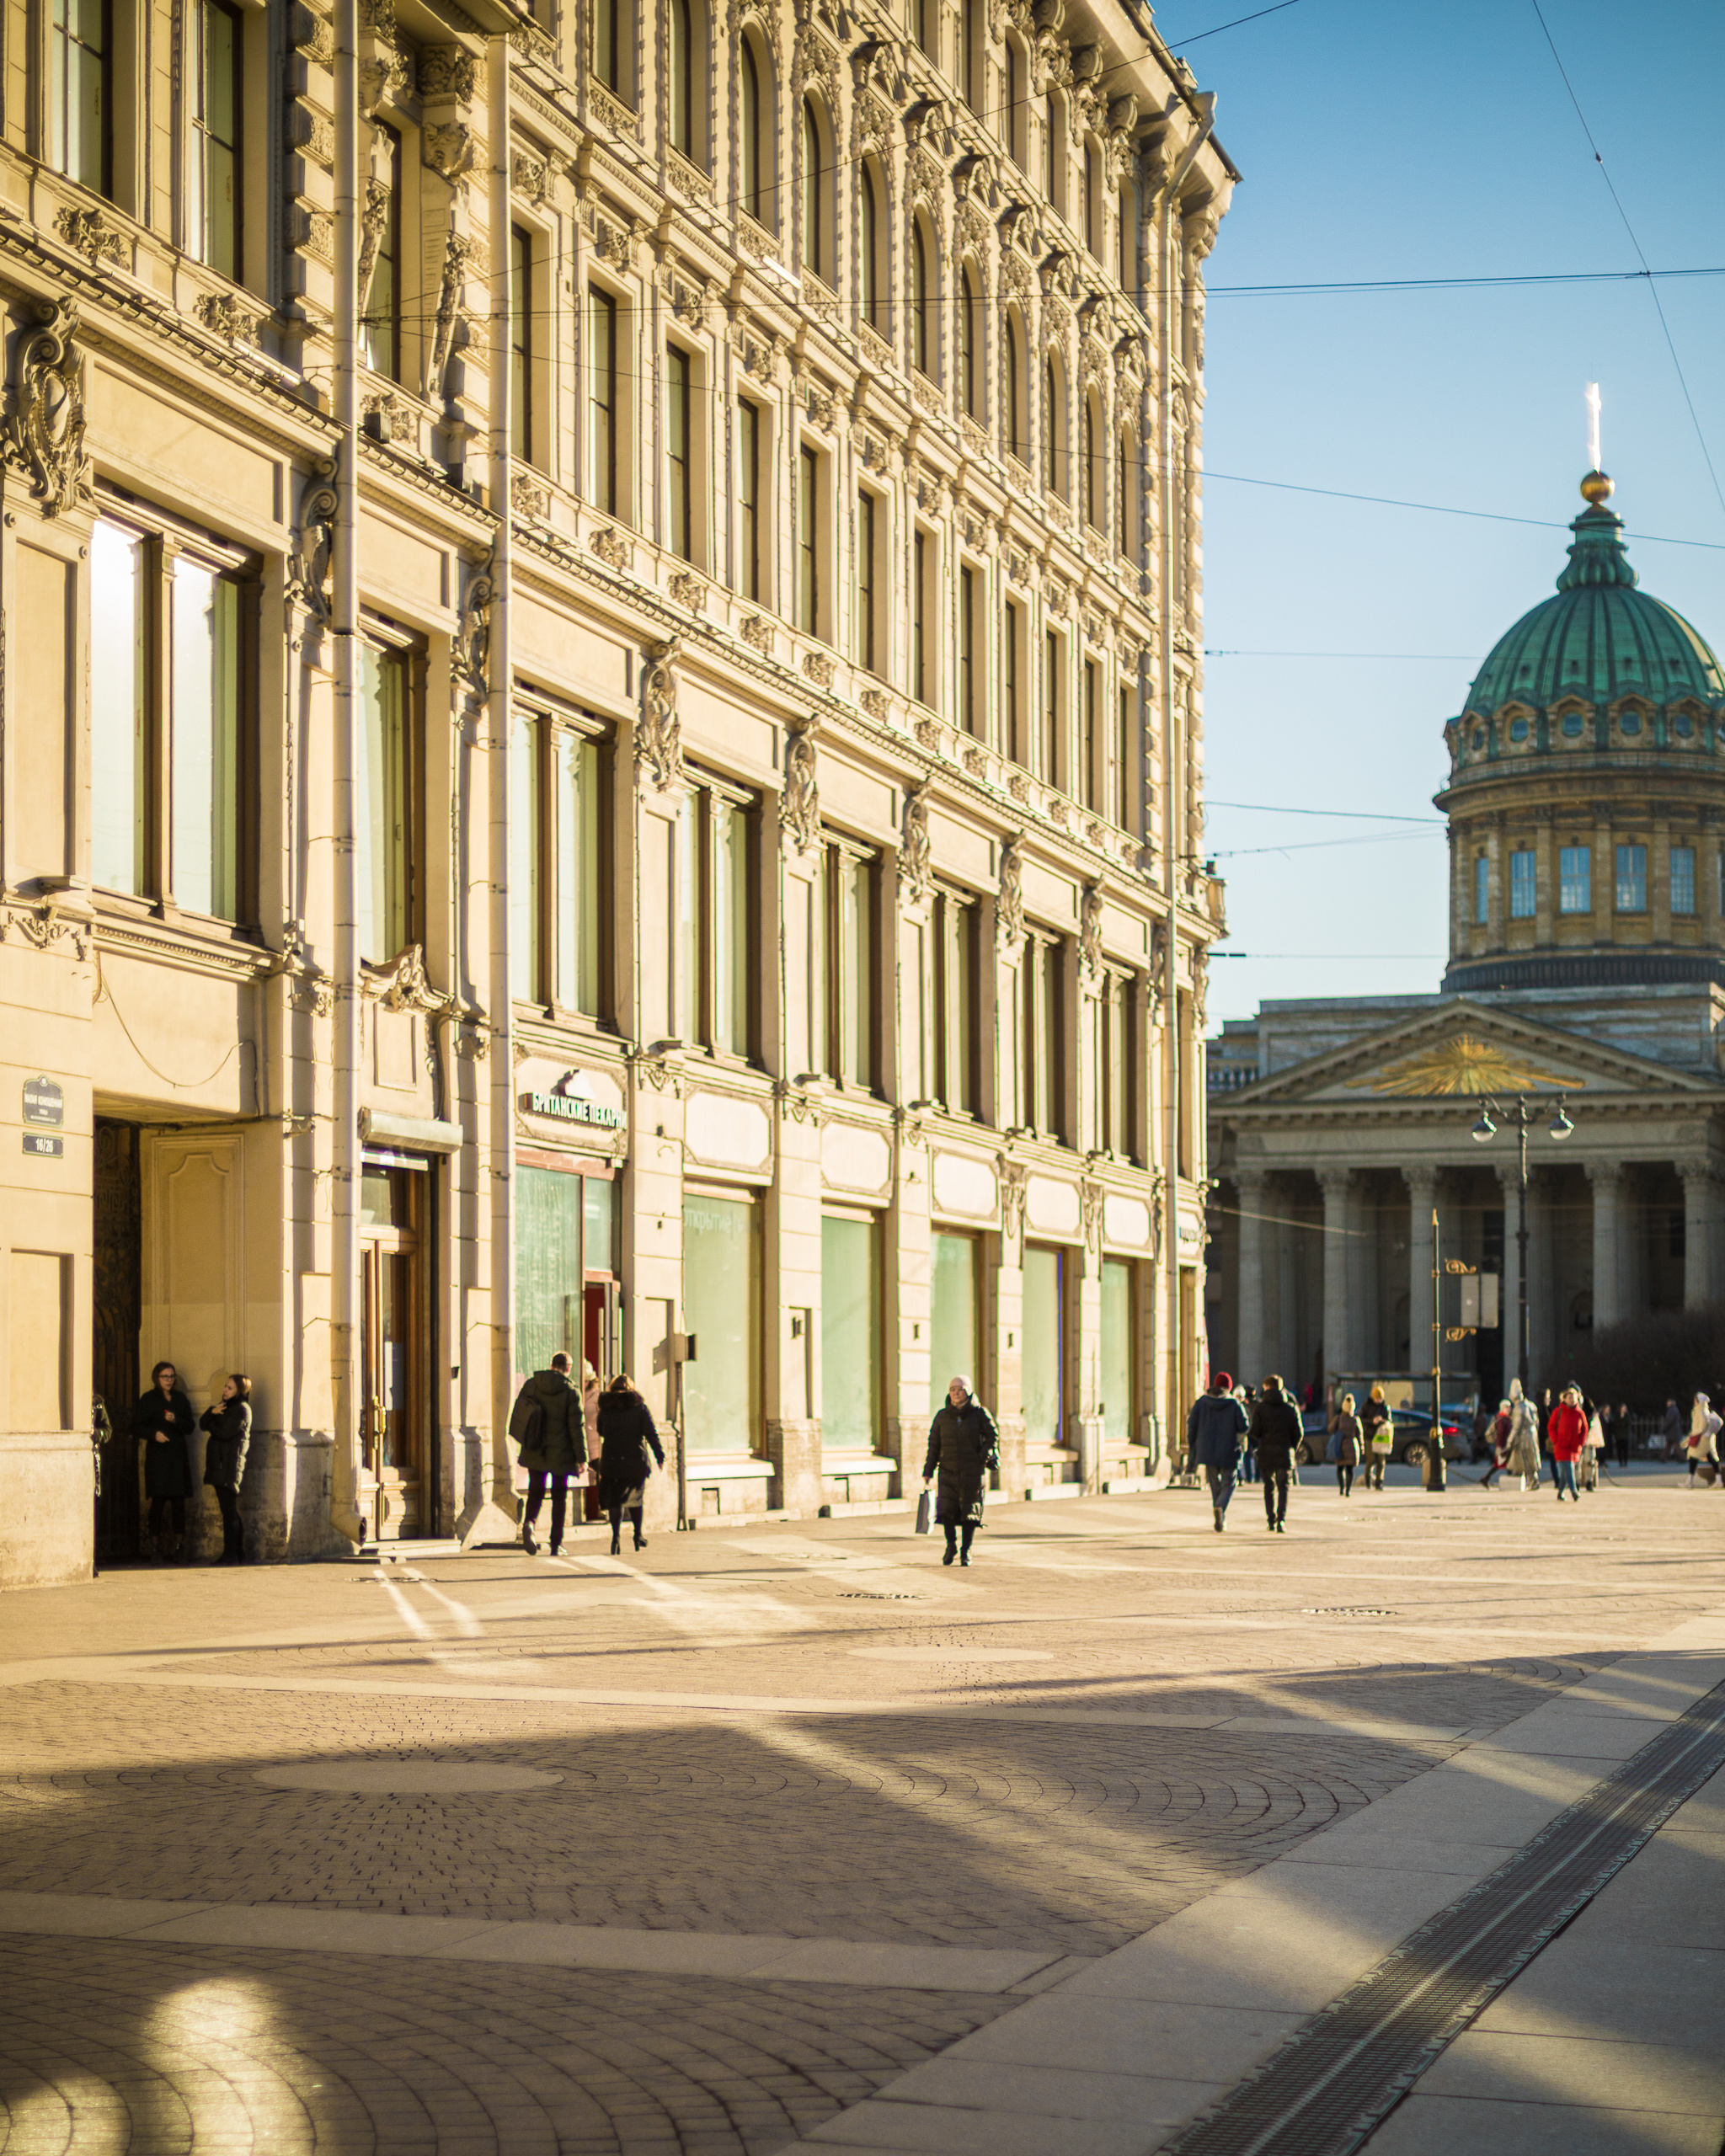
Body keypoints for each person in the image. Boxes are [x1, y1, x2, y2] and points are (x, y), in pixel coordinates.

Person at [510, 1351, 587, 1556]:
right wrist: (582, 1458)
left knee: (536, 1491)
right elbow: (576, 1428)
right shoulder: (571, 1391)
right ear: (568, 1368)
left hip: (535, 1448)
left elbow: (521, 1412)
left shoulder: (532, 1384)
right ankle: (555, 1544)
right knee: (559, 1498)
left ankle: (530, 1523)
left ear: (552, 1364)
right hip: (561, 1453)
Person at [923, 1374, 1001, 1566]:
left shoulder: (980, 1413)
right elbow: (934, 1445)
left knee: (970, 1512)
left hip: (972, 1472)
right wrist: (928, 1470)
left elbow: (993, 1436)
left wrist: (983, 1455)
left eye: (960, 1389)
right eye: (953, 1389)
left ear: (968, 1391)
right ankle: (951, 1546)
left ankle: (966, 1551)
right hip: (948, 1471)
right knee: (947, 1511)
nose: (956, 1393)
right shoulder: (942, 1416)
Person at [595, 1374, 665, 1553]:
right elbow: (651, 1433)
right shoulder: (639, 1407)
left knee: (615, 1499)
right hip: (635, 1459)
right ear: (630, 1388)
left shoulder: (605, 1408)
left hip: (612, 1458)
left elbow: (601, 1431)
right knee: (637, 1497)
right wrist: (660, 1456)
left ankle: (616, 1537)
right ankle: (637, 1535)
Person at [135, 1360, 195, 1563]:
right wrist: (154, 1434)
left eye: (171, 1376)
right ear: (157, 1378)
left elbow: (190, 1426)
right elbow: (136, 1426)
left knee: (179, 1503)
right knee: (158, 1503)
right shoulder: (149, 1399)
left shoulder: (180, 1399)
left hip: (177, 1456)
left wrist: (175, 1420)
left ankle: (179, 1547)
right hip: (158, 1457)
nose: (169, 1380)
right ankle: (154, 1547)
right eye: (164, 1377)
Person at [199, 1374, 253, 1564]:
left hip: (229, 1466)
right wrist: (211, 1412)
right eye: (225, 1386)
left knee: (229, 1511)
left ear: (240, 1391)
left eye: (230, 1388)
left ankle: (232, 1554)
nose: (225, 1390)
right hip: (220, 1465)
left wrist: (212, 1421)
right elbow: (202, 1424)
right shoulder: (224, 1407)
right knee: (228, 1511)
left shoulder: (241, 1409)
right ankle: (236, 1554)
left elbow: (224, 1433)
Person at [1187, 1370, 1248, 1533]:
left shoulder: (1201, 1403)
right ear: (1228, 1387)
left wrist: (1193, 1446)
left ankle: (1219, 1514)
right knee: (1229, 1483)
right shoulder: (1235, 1404)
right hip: (1229, 1449)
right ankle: (1220, 1507)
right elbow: (1244, 1426)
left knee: (1214, 1484)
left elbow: (1191, 1425)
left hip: (1207, 1451)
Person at [1249, 1374, 1303, 1533]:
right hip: (1284, 1452)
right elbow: (1299, 1432)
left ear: (1266, 1387)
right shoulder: (1291, 1408)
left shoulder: (1260, 1408)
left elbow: (1255, 1432)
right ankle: (1281, 1521)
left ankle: (1271, 1521)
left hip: (1266, 1452)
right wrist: (1291, 1446)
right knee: (1283, 1488)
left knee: (1269, 1487)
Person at [1548, 1384, 1588, 1502]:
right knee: (1569, 1468)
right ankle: (1574, 1491)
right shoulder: (1558, 1412)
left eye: (1573, 1397)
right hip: (1561, 1446)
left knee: (1566, 1472)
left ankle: (1560, 1493)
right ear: (1564, 1399)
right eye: (1569, 1397)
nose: (1571, 1399)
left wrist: (1581, 1442)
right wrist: (1555, 1440)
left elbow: (1585, 1429)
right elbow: (1551, 1427)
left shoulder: (1580, 1413)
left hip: (1574, 1446)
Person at [1505, 1380, 1541, 1492]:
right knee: (1530, 1457)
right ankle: (1532, 1481)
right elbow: (1536, 1422)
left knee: (1526, 1458)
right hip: (1532, 1434)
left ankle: (1532, 1482)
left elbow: (1517, 1426)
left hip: (1524, 1437)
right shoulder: (1531, 1405)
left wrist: (1510, 1440)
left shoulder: (1519, 1408)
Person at [1329, 1392, 1362, 1499]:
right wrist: (1362, 1448)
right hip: (1352, 1446)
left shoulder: (1338, 1418)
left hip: (1340, 1445)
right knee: (1350, 1469)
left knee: (1340, 1468)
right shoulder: (1355, 1420)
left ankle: (1341, 1488)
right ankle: (1348, 1490)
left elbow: (1330, 1429)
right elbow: (1359, 1435)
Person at [1359, 1385, 1393, 1491]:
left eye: (1380, 1398)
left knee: (1381, 1461)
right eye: (1377, 1398)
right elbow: (1361, 1419)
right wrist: (1372, 1421)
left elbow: (1389, 1421)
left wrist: (1382, 1420)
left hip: (1381, 1437)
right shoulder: (1366, 1406)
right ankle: (1368, 1479)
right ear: (1373, 1397)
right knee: (1371, 1459)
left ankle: (1379, 1482)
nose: (1378, 1400)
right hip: (1369, 1436)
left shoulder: (1385, 1408)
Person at [1686, 1394, 1721, 1488]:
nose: (1694, 1401)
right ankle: (1718, 1480)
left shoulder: (1701, 1412)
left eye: (1695, 1400)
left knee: (1694, 1458)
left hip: (1702, 1440)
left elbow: (1701, 1427)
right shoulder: (1700, 1411)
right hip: (1704, 1440)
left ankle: (1690, 1481)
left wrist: (1693, 1434)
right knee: (1711, 1458)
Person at [1479, 1401, 1510, 1489]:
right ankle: (1511, 1480)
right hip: (1502, 1446)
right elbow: (1500, 1434)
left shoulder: (1506, 1418)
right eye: (1506, 1407)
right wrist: (1500, 1447)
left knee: (1500, 1464)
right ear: (1502, 1408)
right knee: (1503, 1463)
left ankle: (1485, 1478)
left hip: (1505, 1445)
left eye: (1509, 1407)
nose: (1509, 1409)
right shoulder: (1501, 1419)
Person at [1663, 1398, 1685, 1462]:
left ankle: (1683, 1458)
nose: (1667, 1403)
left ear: (1671, 1402)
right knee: (1669, 1446)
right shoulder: (1674, 1409)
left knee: (1676, 1446)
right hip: (1673, 1431)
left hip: (1672, 1431)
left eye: (1668, 1402)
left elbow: (1670, 1421)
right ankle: (1663, 1458)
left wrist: (1665, 1428)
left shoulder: (1672, 1410)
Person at [1615, 1402, 1632, 1471]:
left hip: (1625, 1435)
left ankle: (1625, 1462)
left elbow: (1629, 1423)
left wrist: (1623, 1417)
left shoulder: (1627, 1416)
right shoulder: (1617, 1416)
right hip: (1619, 1436)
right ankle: (1620, 1462)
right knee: (1619, 1450)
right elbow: (1616, 1423)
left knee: (1625, 1450)